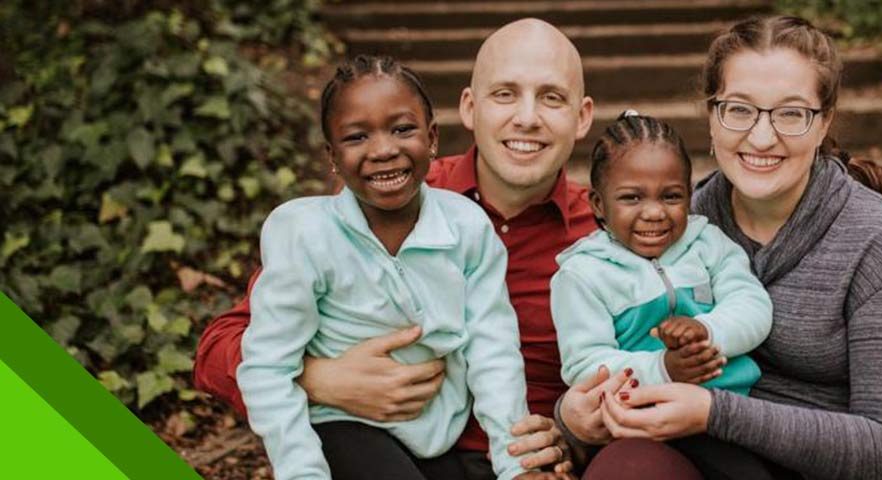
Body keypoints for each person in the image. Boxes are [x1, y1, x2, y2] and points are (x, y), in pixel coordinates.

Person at [194, 18, 704, 479]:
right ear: (469, 108)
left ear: (582, 116)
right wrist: (318, 379)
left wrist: (574, 431)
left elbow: (662, 364)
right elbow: (220, 347)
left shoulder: (618, 232)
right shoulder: (389, 199)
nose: (527, 118)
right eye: (505, 94)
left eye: (551, 98)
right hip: (378, 447)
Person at [562, 15, 882, 480]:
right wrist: (571, 417)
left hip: (836, 469)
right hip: (710, 452)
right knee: (628, 468)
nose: (761, 137)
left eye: (791, 114)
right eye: (739, 109)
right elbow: (610, 342)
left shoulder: (878, 242)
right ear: (711, 116)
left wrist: (714, 413)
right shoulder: (681, 221)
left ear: (824, 123)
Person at [237, 55, 530, 480]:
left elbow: (494, 350)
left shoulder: (466, 226)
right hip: (339, 424)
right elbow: (267, 365)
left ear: (432, 138)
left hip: (437, 434)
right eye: (357, 136)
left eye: (402, 129)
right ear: (332, 156)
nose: (383, 150)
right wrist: (302, 472)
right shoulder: (304, 233)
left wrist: (513, 462)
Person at [552, 111, 772, 395]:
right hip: (643, 412)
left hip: (732, 404)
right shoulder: (582, 275)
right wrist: (662, 369)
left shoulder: (709, 244)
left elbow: (753, 307)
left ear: (689, 196)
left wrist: (706, 331)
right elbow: (584, 366)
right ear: (598, 204)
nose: (654, 212)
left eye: (671, 196)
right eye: (632, 198)